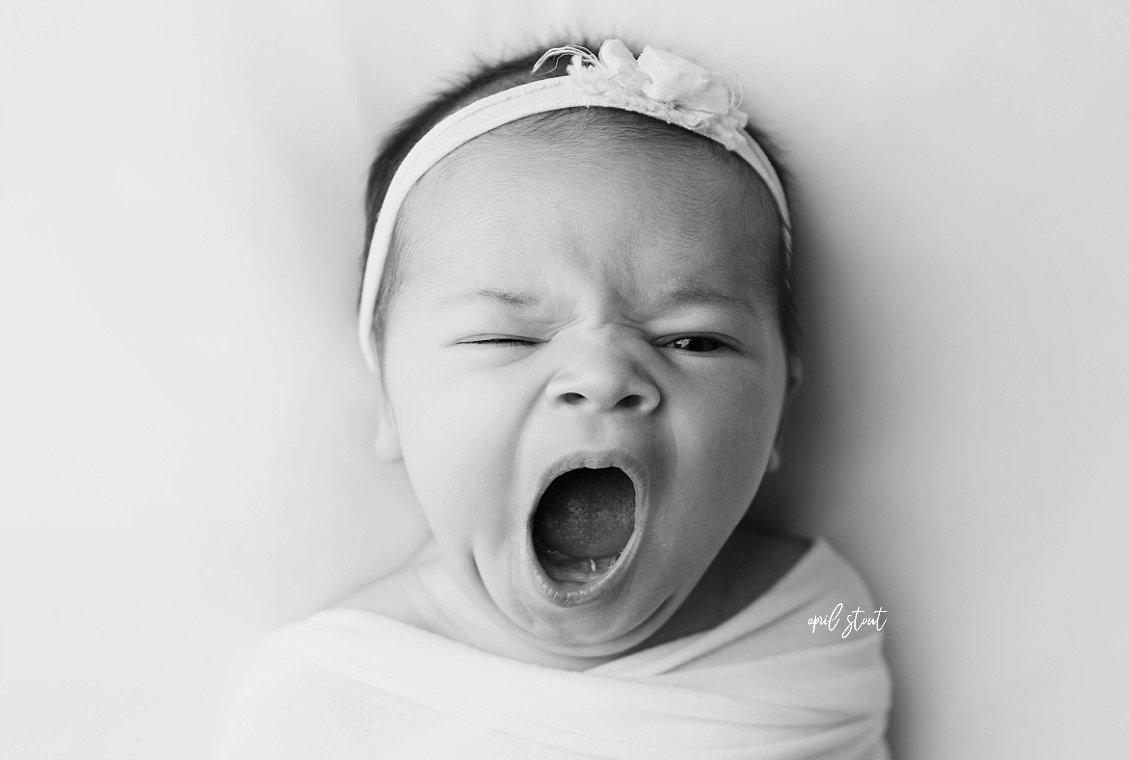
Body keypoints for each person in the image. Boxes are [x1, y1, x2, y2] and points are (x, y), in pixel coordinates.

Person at [221, 38, 891, 759]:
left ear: (779, 410)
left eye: (693, 341)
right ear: (390, 400)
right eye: (504, 338)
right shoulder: (335, 693)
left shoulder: (826, 615)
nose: (602, 376)